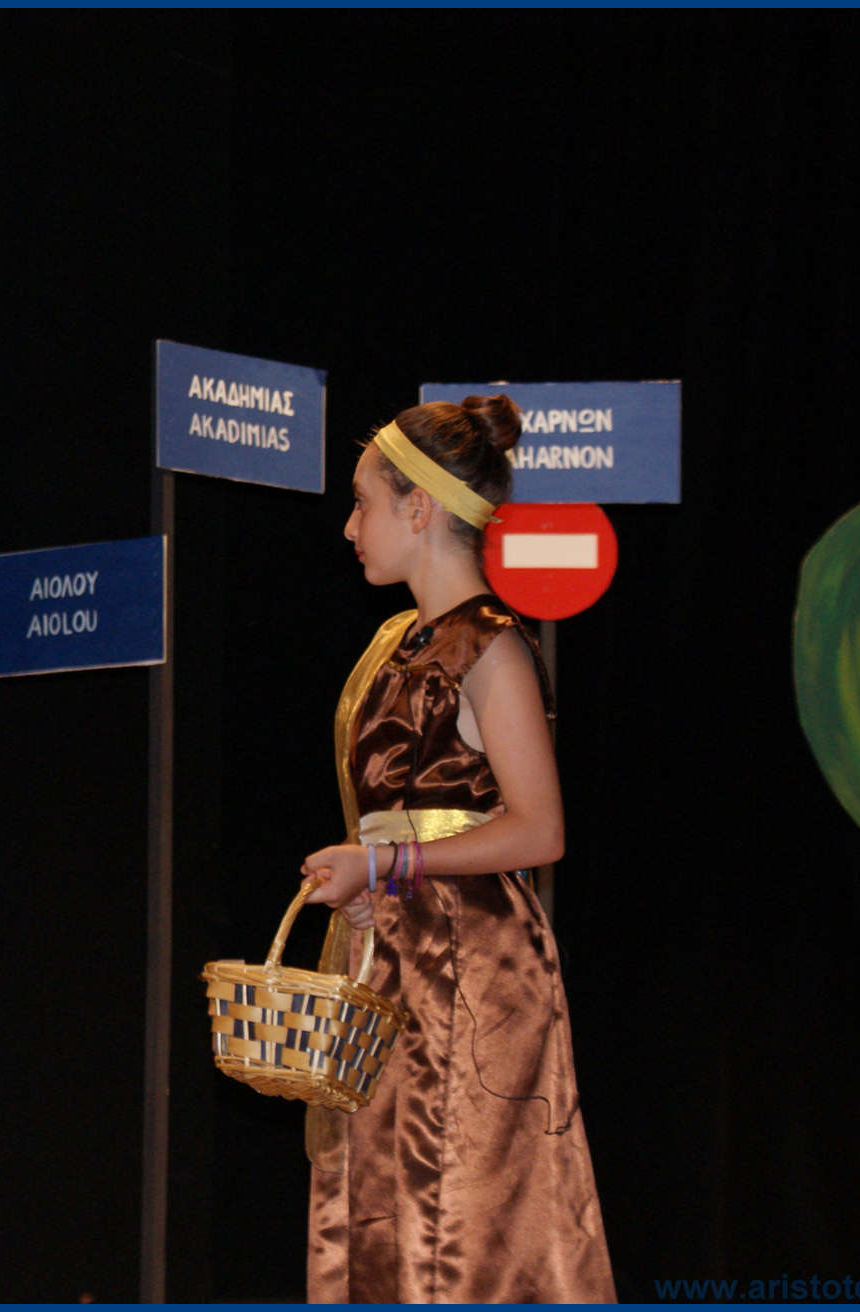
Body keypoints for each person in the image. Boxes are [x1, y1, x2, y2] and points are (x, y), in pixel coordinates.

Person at [298, 397, 616, 1303]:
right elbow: (398, 817)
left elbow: (540, 829)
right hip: (393, 957)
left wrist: (389, 865)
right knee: (380, 1203)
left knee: (463, 1220)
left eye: (362, 503)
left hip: (472, 969)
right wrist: (368, 882)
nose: (349, 526)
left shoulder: (490, 651)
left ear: (419, 508)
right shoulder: (397, 644)